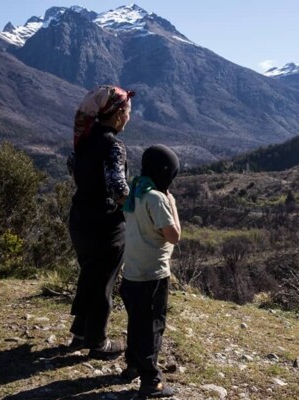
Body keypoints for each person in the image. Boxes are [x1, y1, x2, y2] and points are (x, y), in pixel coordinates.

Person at [67, 85, 135, 359]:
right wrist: (137, 208)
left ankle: (81, 332)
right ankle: (98, 343)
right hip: (104, 224)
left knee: (90, 275)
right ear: (118, 113)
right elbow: (117, 187)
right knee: (103, 281)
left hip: (80, 218)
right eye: (128, 110)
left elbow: (73, 166)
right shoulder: (113, 144)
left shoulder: (84, 138)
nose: (130, 115)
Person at [119, 144, 181, 398]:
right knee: (153, 326)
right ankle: (151, 380)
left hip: (131, 272)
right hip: (152, 275)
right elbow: (174, 235)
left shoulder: (135, 192)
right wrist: (172, 203)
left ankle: (132, 364)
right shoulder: (157, 199)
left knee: (136, 322)